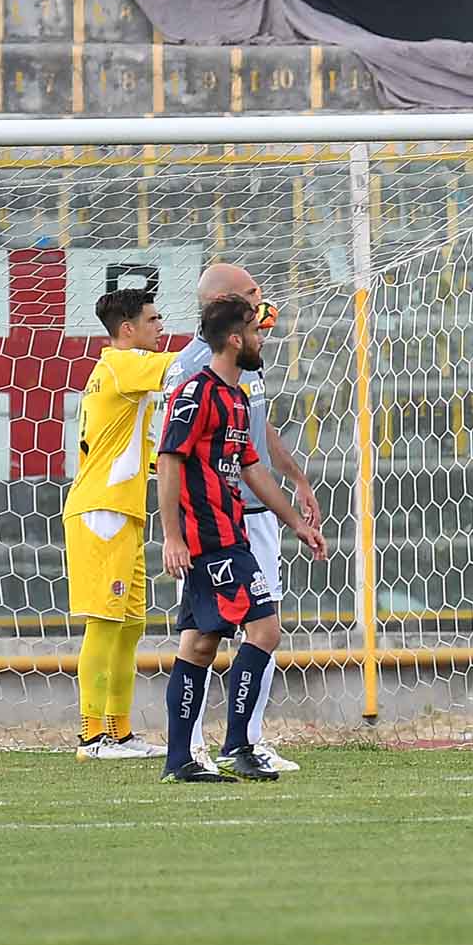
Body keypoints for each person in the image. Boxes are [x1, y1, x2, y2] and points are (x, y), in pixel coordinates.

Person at [153, 266, 322, 774]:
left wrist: (295, 517)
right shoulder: (196, 387)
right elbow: (168, 458)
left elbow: (251, 462)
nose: (261, 332)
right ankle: (238, 745)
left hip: (231, 528)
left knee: (202, 641)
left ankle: (182, 756)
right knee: (264, 630)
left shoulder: (231, 392)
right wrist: (173, 536)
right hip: (212, 534)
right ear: (233, 334)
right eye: (252, 320)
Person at [63, 285, 175, 760]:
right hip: (102, 512)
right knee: (105, 626)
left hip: (124, 511)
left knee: (130, 628)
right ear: (127, 329)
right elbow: (187, 367)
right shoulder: (123, 363)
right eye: (153, 320)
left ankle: (119, 732)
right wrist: (231, 327)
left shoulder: (121, 372)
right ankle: (91, 737)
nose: (160, 327)